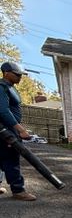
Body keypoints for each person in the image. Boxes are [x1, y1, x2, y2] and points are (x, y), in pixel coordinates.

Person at [0, 60, 36, 201]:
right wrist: (20, 130)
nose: (20, 77)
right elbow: (3, 111)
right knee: (11, 159)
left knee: (1, 158)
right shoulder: (2, 87)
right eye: (17, 74)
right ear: (6, 73)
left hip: (6, 129)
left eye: (20, 75)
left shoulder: (10, 88)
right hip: (6, 130)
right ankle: (18, 190)